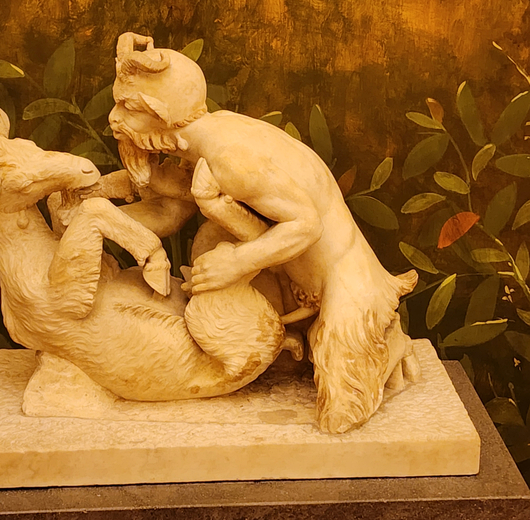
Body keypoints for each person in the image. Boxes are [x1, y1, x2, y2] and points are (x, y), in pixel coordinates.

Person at [105, 31, 419, 433]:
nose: (114, 118)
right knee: (212, 246)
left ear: (160, 114)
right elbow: (169, 210)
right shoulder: (205, 140)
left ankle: (386, 339)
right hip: (291, 277)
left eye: (127, 107)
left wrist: (237, 262)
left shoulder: (229, 157)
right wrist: (100, 209)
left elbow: (306, 225)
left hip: (344, 284)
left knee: (342, 414)